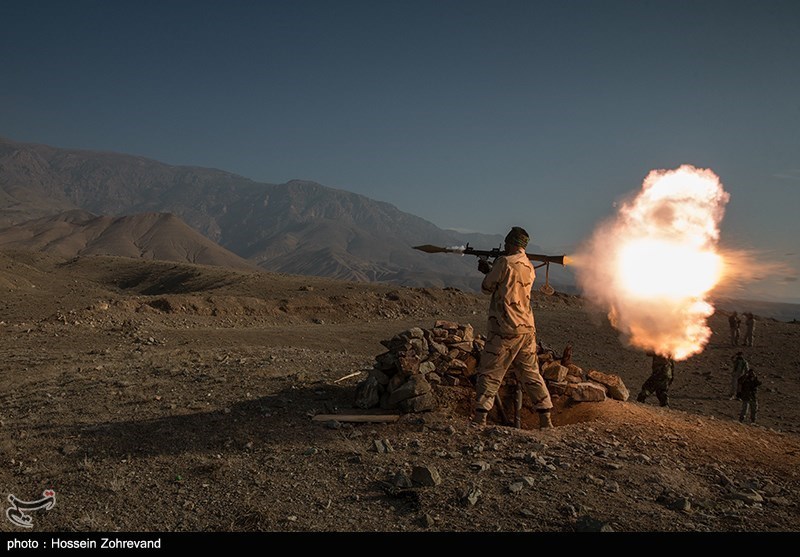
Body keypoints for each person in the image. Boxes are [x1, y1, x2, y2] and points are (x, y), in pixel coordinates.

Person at [471, 226, 554, 430]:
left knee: (490, 371)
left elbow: (486, 288)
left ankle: (480, 418)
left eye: (507, 243)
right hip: (526, 328)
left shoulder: (504, 262)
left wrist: (487, 270)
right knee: (531, 373)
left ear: (510, 243)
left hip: (505, 327)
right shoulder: (529, 267)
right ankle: (546, 419)